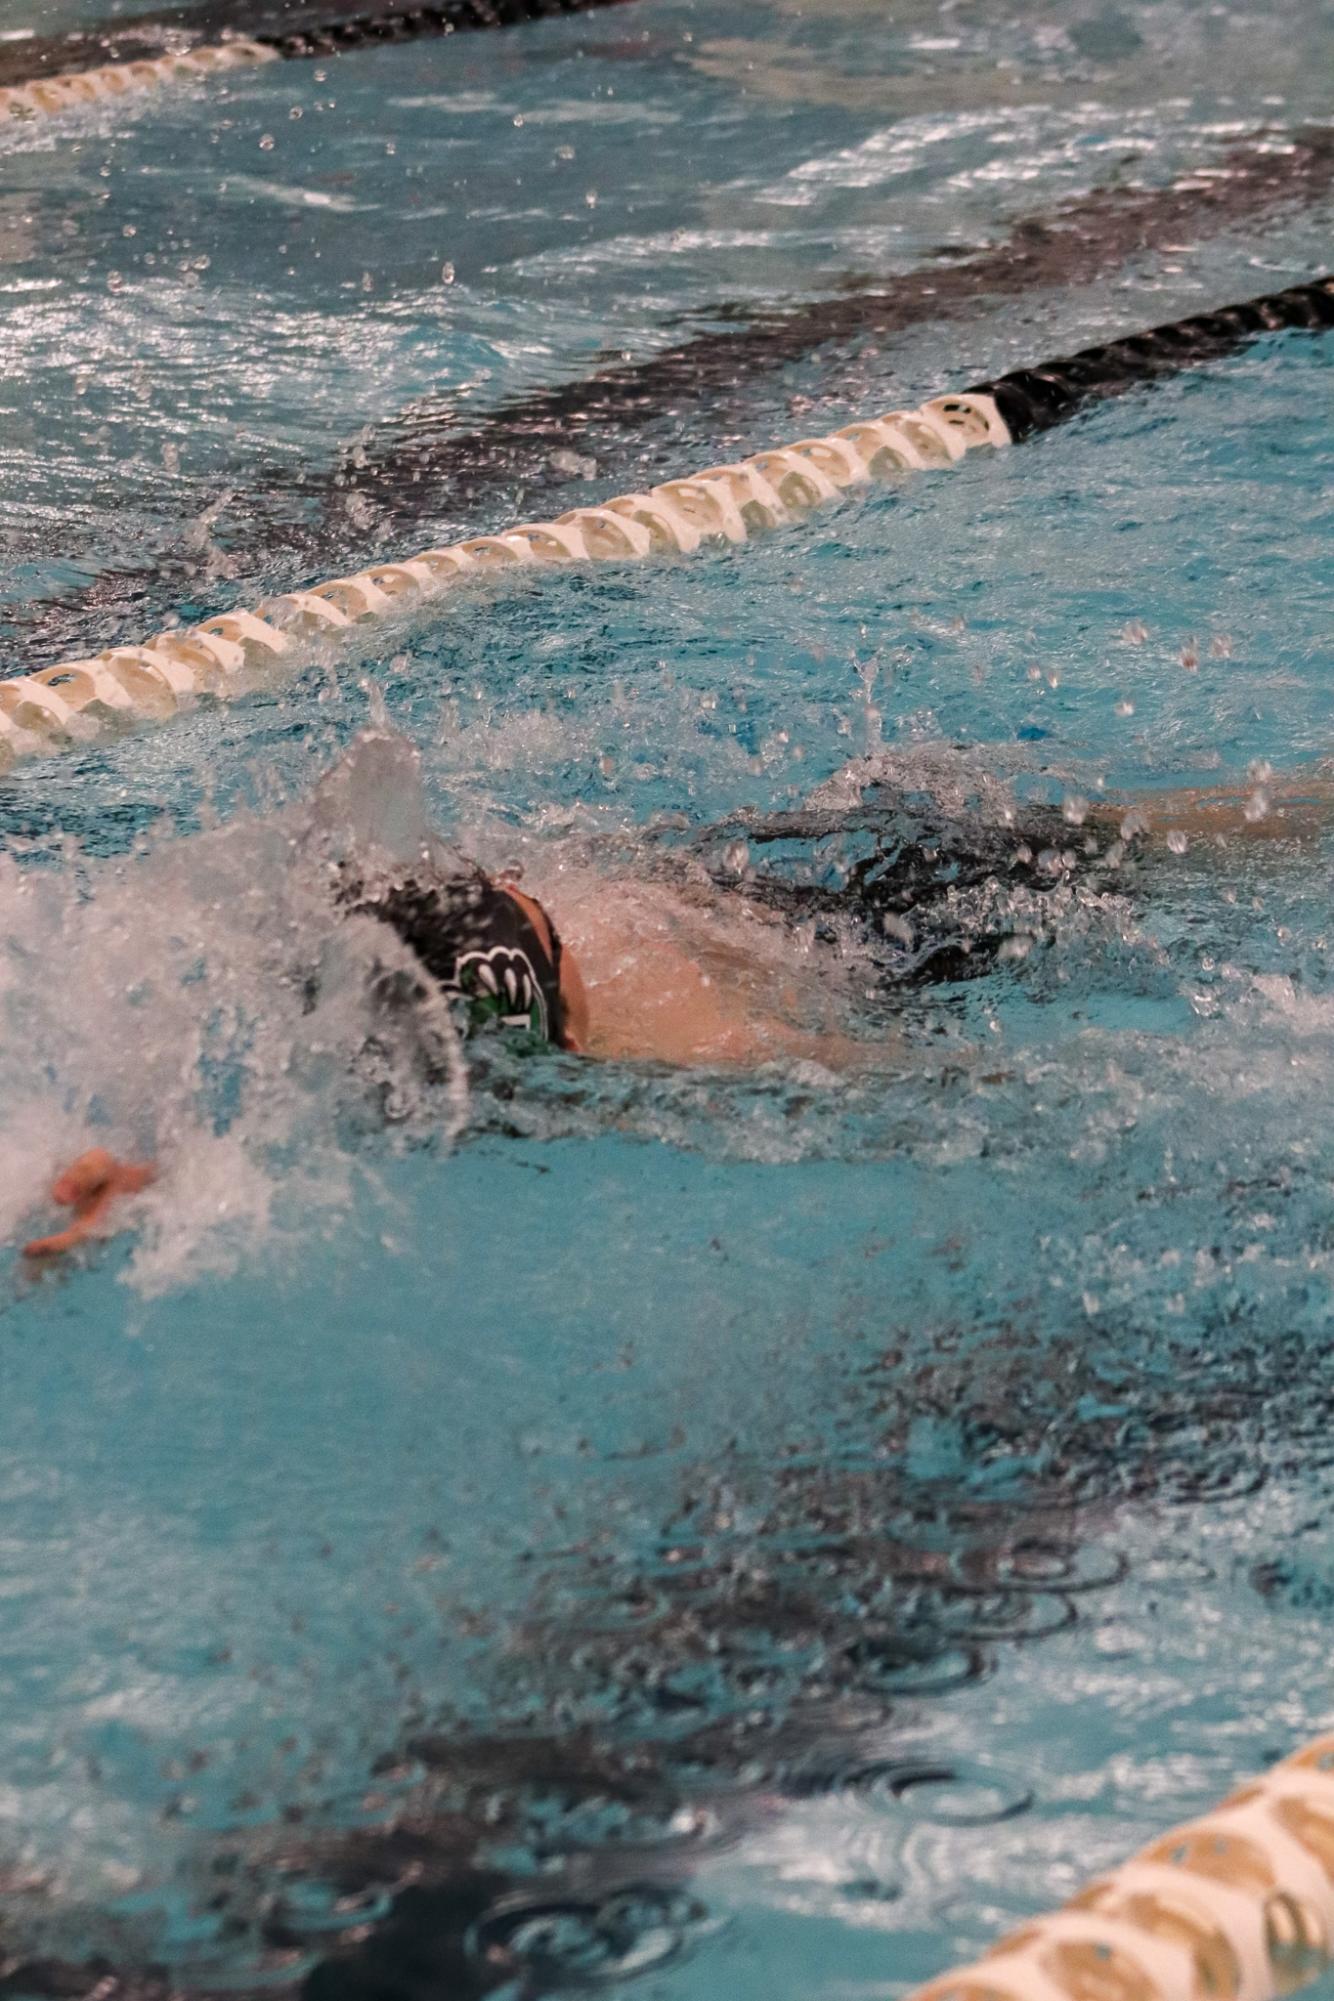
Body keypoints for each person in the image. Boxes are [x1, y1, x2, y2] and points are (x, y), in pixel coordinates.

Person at [20, 749, 1327, 1259]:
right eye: (533, 913)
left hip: (829, 899)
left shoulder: (436, 1027)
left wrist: (156, 1172)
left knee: (1138, 846)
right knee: (1131, 845)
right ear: (559, 1005)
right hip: (875, 906)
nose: (530, 880)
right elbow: (887, 1084)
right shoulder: (675, 1036)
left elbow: (317, 1078)